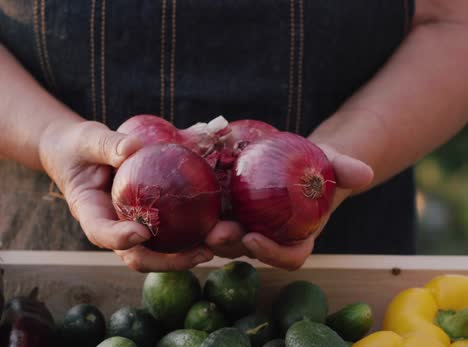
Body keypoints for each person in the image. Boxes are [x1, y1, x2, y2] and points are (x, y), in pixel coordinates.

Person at [0, 1, 467, 271]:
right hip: (56, 233)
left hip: (343, 244)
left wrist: (346, 148)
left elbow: (453, 21)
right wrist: (47, 136)